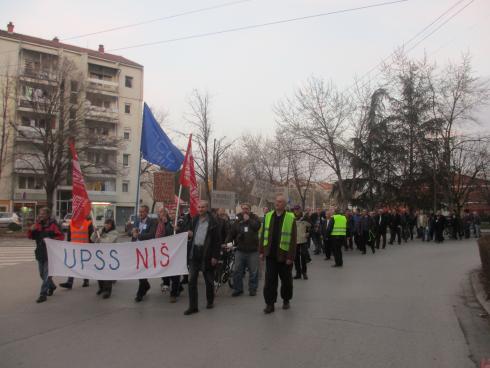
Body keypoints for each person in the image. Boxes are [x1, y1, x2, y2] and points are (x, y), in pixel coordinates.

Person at [260, 195, 297, 314]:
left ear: (284, 204)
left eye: (280, 202)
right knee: (270, 281)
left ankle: (286, 299)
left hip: (284, 255)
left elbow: (293, 239)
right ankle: (270, 304)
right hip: (270, 254)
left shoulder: (290, 218)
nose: (277, 203)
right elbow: (263, 235)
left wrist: (291, 257)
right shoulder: (268, 216)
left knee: (286, 281)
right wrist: (261, 251)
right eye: (276, 201)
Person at [185, 200, 220, 315]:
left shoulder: (213, 221)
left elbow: (216, 241)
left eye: (202, 207)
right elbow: (189, 232)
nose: (200, 209)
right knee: (191, 281)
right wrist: (189, 234)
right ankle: (193, 306)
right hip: (195, 253)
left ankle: (210, 301)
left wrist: (215, 256)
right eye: (199, 207)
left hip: (207, 254)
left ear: (207, 208)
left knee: (209, 280)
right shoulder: (194, 219)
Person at [28, 207, 64, 303]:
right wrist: (31, 230)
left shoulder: (53, 225)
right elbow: (31, 237)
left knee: (47, 275)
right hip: (40, 252)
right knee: (42, 274)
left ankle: (43, 294)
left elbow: (61, 237)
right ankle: (51, 286)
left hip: (50, 253)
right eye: (40, 213)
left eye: (43, 214)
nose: (41, 215)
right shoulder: (37, 225)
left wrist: (50, 240)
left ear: (48, 215)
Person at [226, 203, 261, 296]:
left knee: (253, 271)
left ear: (250, 209)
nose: (245, 210)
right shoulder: (237, 219)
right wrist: (228, 243)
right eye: (243, 209)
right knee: (237, 270)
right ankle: (238, 289)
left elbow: (257, 227)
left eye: (247, 209)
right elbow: (231, 232)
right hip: (240, 249)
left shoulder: (255, 218)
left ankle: (252, 289)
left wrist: (249, 220)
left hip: (252, 250)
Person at [59, 215, 94, 289]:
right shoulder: (72, 223)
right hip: (74, 248)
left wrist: (91, 247)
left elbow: (91, 237)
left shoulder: (88, 223)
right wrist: (69, 244)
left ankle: (86, 280)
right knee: (73, 265)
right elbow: (69, 235)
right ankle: (69, 282)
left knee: (84, 265)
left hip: (85, 248)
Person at [132, 205, 157, 302]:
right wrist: (133, 233)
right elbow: (133, 234)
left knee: (142, 271)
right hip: (136, 249)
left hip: (146, 250)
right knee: (139, 271)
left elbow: (152, 235)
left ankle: (140, 294)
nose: (140, 213)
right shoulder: (137, 221)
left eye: (142, 212)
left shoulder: (152, 222)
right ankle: (146, 285)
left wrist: (139, 235)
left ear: (147, 212)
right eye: (140, 211)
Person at [155, 207, 181, 303]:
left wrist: (178, 229)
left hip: (176, 251)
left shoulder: (180, 222)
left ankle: (173, 294)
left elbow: (184, 233)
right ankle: (175, 286)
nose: (173, 214)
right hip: (166, 251)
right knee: (167, 270)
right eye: (171, 212)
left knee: (175, 273)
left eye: (174, 212)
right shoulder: (164, 223)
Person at [90, 219, 118, 299]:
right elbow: (92, 239)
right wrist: (95, 232)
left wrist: (100, 239)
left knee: (107, 274)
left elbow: (108, 242)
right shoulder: (101, 231)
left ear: (112, 225)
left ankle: (107, 291)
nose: (107, 225)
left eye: (109, 224)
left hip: (109, 255)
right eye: (106, 223)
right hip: (99, 255)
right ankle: (101, 288)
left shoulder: (114, 233)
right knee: (99, 273)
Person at [292, 205, 310, 280]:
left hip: (303, 240)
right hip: (295, 240)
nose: (296, 211)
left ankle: (304, 272)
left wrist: (308, 233)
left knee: (303, 256)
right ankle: (298, 273)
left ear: (300, 210)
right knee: (295, 257)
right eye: (295, 210)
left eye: (297, 209)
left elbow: (310, 226)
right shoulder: (291, 217)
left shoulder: (305, 217)